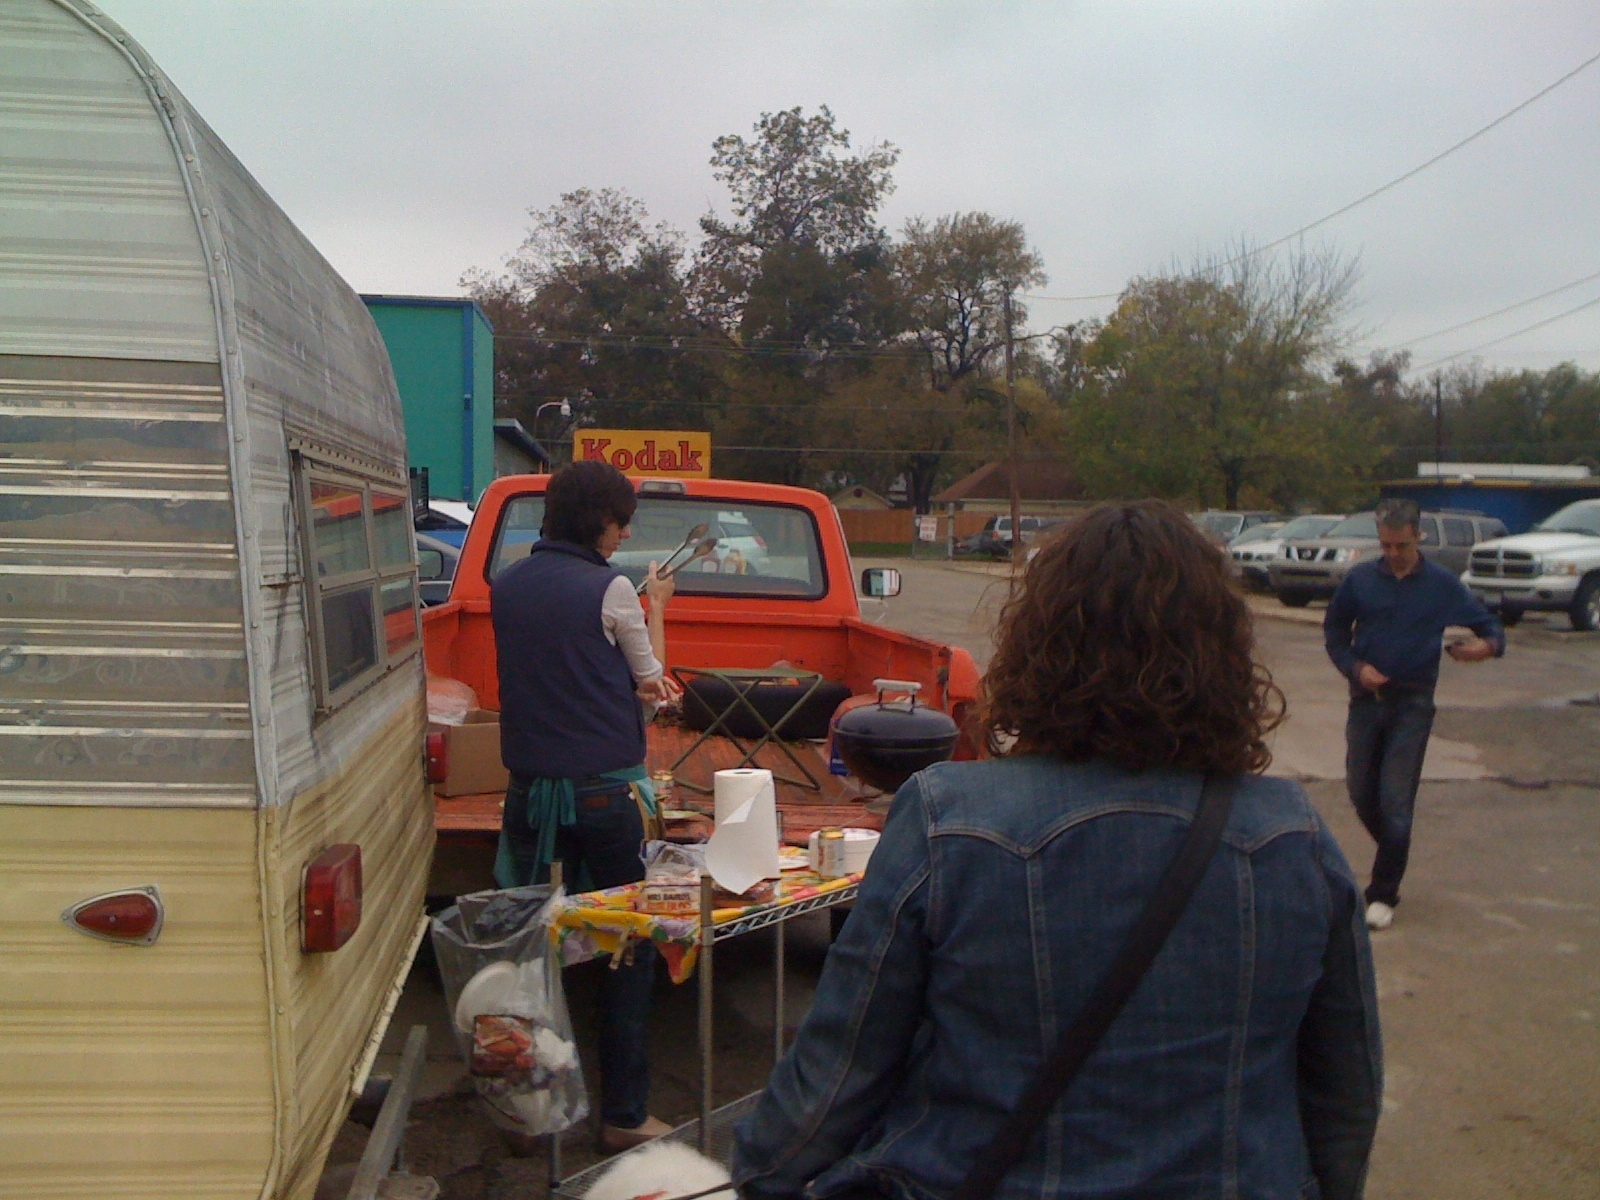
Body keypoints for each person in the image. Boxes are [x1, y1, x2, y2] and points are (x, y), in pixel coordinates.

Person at [733, 500, 1381, 1200]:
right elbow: (1346, 1093)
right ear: (1224, 656)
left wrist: (760, 1175)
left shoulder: (949, 820)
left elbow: (838, 1074)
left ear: (1039, 648)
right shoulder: (1295, 836)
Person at [490, 460, 676, 1153]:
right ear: (601, 521)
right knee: (628, 949)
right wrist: (659, 607)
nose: (625, 533)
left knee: (532, 951)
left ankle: (530, 1111)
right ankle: (623, 1113)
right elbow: (652, 685)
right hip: (606, 796)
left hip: (530, 797)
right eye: (623, 521)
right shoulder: (612, 588)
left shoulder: (506, 587)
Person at [1324, 497, 1504, 932]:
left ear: (1417, 537)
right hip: (1367, 702)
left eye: (1400, 545)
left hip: (1413, 703)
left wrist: (1484, 648)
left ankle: (1383, 892)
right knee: (1361, 790)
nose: (1392, 553)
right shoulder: (1360, 581)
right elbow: (1334, 634)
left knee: (1395, 800)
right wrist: (1355, 667)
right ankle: (1395, 850)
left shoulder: (1441, 585)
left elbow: (1491, 630)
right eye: (1385, 545)